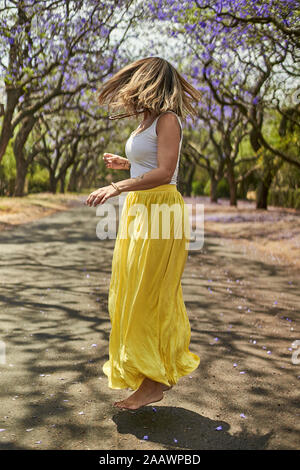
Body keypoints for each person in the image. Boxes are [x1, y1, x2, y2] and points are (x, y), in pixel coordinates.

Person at [85, 56, 201, 410]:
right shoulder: (147, 121)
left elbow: (166, 172)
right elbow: (151, 163)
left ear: (150, 81)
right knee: (130, 292)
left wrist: (118, 185)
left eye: (137, 79)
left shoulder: (168, 120)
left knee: (149, 296)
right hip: (140, 210)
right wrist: (127, 164)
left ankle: (153, 383)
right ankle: (147, 374)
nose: (130, 87)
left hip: (161, 211)